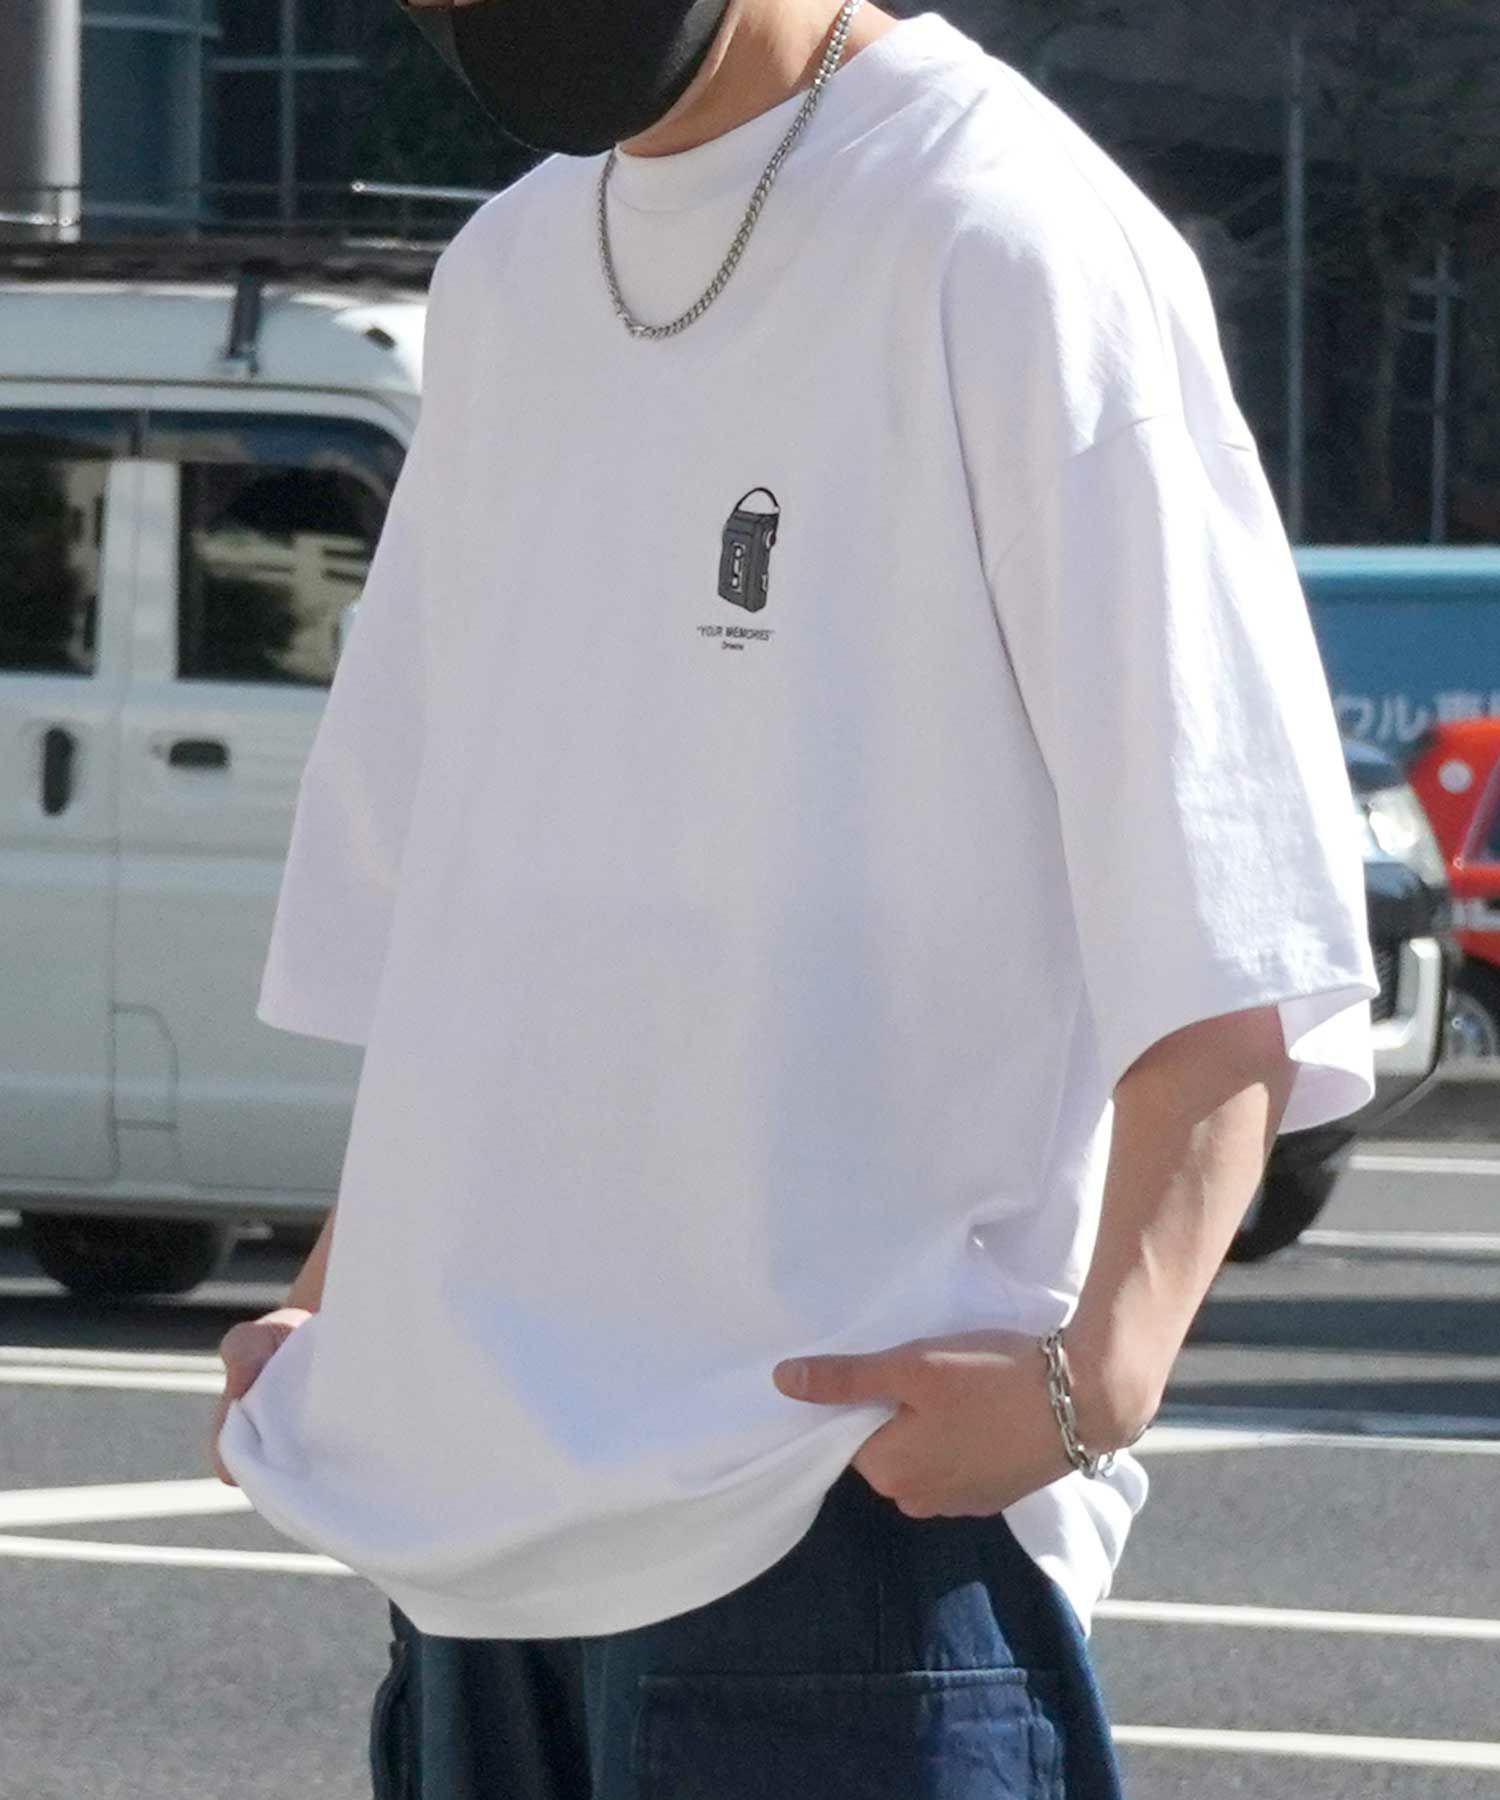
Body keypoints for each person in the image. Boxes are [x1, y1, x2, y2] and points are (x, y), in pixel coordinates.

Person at [210, 2, 1380, 1795]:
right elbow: (457, 882)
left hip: (833, 1517)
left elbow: (1229, 881)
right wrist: (342, 1300)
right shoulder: (507, 278)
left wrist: (1096, 1378)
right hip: (466, 1538)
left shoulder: (1004, 234)